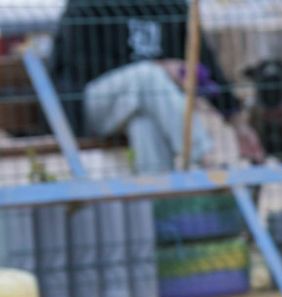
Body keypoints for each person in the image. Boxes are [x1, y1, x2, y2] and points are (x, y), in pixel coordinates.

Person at [49, 0, 263, 174]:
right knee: (148, 76)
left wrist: (238, 123)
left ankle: (157, 209)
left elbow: (204, 64)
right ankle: (203, 158)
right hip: (92, 105)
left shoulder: (171, 6)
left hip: (148, 103)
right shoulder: (86, 6)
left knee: (145, 124)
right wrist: (161, 67)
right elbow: (81, 67)